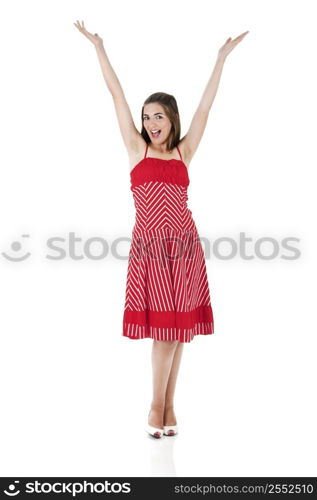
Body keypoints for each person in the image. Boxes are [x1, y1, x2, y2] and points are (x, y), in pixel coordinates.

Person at [74, 20, 249, 438]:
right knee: (166, 332)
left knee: (180, 330)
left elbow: (206, 108)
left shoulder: (184, 152)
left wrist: (221, 59)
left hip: (185, 248)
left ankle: (169, 407)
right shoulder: (138, 150)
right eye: (146, 116)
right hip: (152, 251)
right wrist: (99, 47)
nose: (151, 122)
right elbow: (116, 94)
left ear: (171, 119)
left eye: (158, 116)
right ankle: (155, 408)